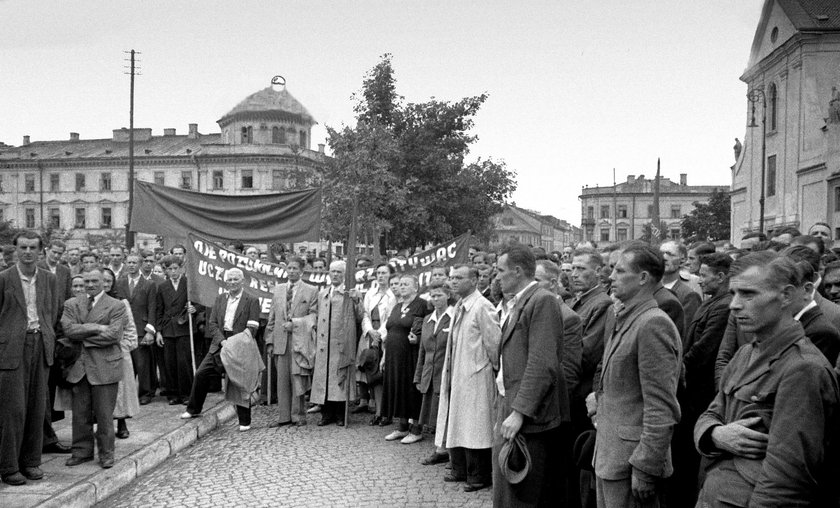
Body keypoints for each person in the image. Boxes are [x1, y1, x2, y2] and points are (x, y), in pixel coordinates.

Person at [694, 254, 839, 506]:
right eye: (734, 293)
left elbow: (785, 480)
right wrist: (716, 434)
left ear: (785, 295)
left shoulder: (803, 368)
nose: (734, 305)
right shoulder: (746, 353)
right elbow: (709, 414)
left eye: (748, 294)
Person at [593, 243, 681, 508]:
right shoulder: (627, 317)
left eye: (620, 271)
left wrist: (645, 467)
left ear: (643, 278)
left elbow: (661, 407)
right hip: (611, 456)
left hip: (631, 463)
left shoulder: (653, 323)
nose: (611, 277)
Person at [492, 243, 570, 506]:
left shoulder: (542, 300)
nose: (497, 277)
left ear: (516, 271)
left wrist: (519, 412)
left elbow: (542, 363)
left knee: (523, 489)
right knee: (507, 485)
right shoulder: (521, 302)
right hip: (512, 402)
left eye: (501, 271)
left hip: (530, 414)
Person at [670, 252, 733, 508]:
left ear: (720, 277)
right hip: (690, 388)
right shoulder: (712, 301)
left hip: (699, 391)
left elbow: (705, 349)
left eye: (705, 275)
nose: (700, 280)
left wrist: (681, 367)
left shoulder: (723, 305)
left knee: (689, 454)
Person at [0, 231, 59, 486]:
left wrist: (46, 335)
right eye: (22, 247)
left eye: (32, 248)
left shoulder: (48, 279)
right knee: (13, 410)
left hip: (40, 343)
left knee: (37, 407)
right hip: (12, 348)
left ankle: (31, 462)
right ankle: (9, 466)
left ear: (40, 251)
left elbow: (52, 311)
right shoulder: (4, 279)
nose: (27, 252)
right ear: (15, 250)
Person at [434, 266, 499, 491]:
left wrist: (489, 370)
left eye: (459, 278)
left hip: (476, 375)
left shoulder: (483, 307)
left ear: (474, 280)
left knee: (476, 427)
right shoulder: (460, 305)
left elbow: (494, 344)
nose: (453, 282)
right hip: (458, 374)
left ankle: (478, 475)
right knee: (458, 421)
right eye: (451, 278)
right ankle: (459, 468)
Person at [61, 268, 127, 469]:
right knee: (80, 414)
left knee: (105, 415)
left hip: (105, 366)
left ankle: (107, 454)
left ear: (103, 282)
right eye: (86, 281)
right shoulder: (72, 303)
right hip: (79, 367)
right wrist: (97, 328)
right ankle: (81, 451)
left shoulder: (116, 305)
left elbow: (114, 335)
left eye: (94, 281)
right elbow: (68, 329)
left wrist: (81, 336)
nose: (90, 285)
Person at [182, 268, 260, 430]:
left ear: (242, 281)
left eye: (235, 280)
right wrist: (223, 342)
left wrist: (234, 343)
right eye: (229, 280)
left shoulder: (251, 300)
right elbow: (212, 323)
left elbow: (253, 327)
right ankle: (193, 409)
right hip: (219, 343)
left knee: (240, 382)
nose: (232, 283)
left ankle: (244, 421)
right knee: (202, 373)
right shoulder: (220, 299)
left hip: (240, 344)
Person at [265, 257, 318, 427]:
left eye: (295, 268)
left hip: (299, 342)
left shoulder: (311, 290)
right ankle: (283, 416)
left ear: (302, 271)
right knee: (282, 380)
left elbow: (314, 316)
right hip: (281, 342)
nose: (292, 271)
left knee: (298, 378)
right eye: (289, 268)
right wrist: (270, 341)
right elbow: (272, 317)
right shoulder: (279, 290)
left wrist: (295, 324)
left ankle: (298, 416)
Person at [310, 261, 360, 426]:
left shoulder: (349, 294)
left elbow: (360, 316)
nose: (335, 274)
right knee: (323, 377)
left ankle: (340, 413)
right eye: (333, 271)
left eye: (339, 272)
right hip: (324, 344)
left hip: (340, 344)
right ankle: (326, 413)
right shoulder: (323, 293)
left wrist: (357, 300)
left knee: (339, 378)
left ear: (344, 274)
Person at [382, 274, 430, 440]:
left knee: (411, 389)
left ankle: (416, 429)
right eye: (400, 284)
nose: (401, 287)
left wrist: (419, 338)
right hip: (394, 356)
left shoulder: (422, 305)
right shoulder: (397, 306)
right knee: (398, 388)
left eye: (406, 284)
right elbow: (390, 331)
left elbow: (430, 327)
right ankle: (402, 426)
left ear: (415, 287)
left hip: (412, 355)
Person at [414, 280, 453, 466]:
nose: (436, 299)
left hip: (446, 373)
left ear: (448, 295)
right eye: (433, 295)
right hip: (430, 373)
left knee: (447, 412)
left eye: (439, 295)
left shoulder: (453, 317)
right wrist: (419, 375)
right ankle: (441, 449)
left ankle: (449, 450)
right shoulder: (428, 320)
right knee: (434, 413)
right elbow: (422, 351)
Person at [101, 268, 139, 440]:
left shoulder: (121, 302)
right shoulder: (90, 302)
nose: (106, 284)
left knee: (121, 388)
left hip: (119, 349)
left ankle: (122, 422)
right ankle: (103, 425)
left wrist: (125, 345)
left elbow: (130, 327)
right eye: (103, 280)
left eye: (109, 281)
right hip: (99, 352)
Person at [115, 253, 158, 405]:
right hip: (124, 329)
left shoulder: (149, 284)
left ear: (140, 264)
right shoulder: (119, 283)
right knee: (127, 364)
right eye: (129, 262)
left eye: (134, 262)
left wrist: (150, 331)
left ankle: (145, 393)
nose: (131, 265)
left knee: (142, 363)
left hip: (141, 327)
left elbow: (153, 308)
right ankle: (128, 394)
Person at [155, 255, 196, 405]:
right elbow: (159, 310)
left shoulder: (188, 284)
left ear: (181, 268)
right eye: (170, 269)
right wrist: (158, 331)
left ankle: (186, 393)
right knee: (169, 362)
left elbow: (199, 302)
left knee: (183, 362)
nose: (173, 272)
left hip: (184, 327)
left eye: (175, 268)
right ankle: (173, 394)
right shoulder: (163, 287)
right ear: (166, 271)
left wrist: (194, 309)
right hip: (167, 329)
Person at [359, 263, 396, 425]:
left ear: (390, 275)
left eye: (384, 273)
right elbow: (365, 314)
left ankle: (387, 413)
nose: (381, 276)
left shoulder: (393, 295)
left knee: (385, 373)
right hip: (370, 336)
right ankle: (379, 412)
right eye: (378, 273)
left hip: (386, 337)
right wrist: (369, 331)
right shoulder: (370, 293)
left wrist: (379, 334)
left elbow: (391, 318)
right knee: (374, 375)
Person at [660, 240, 701, 325]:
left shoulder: (688, 296)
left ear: (682, 261)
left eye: (670, 254)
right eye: (661, 253)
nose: (664, 258)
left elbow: (685, 331)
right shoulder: (649, 288)